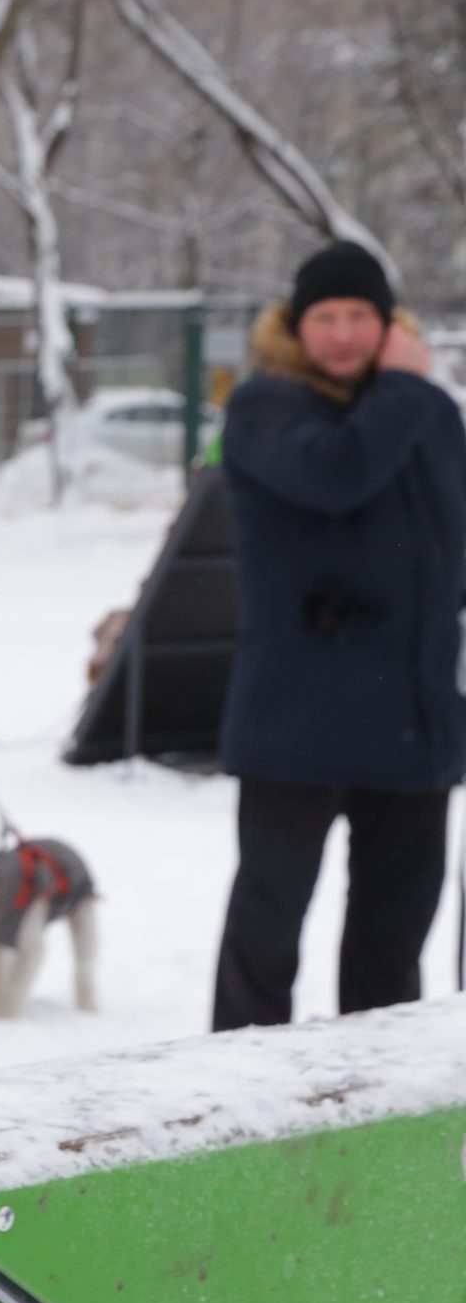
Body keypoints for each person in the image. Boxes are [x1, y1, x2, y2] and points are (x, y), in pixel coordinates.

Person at [210, 240, 465, 1031]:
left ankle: (377, 1097)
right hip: (298, 719)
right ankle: (241, 1083)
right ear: (297, 325)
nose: (345, 333)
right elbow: (333, 473)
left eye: (361, 315)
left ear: (387, 323)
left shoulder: (421, 410)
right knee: (268, 926)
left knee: (393, 937)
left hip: (413, 719)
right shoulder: (265, 408)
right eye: (327, 316)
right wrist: (402, 387)